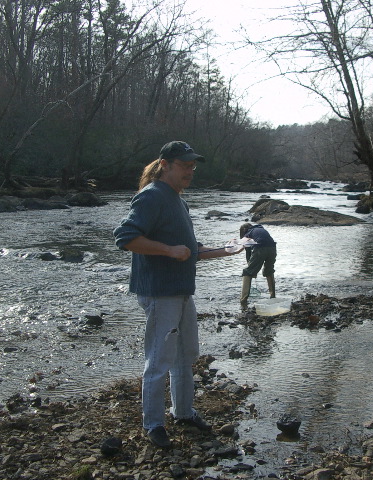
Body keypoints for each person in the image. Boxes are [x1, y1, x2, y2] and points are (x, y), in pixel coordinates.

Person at [113, 140, 243, 448]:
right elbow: (125, 237)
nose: (190, 170)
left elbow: (189, 252)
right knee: (159, 360)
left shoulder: (177, 199)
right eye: (184, 165)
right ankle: (154, 424)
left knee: (186, 356)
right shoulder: (152, 196)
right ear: (165, 165)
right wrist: (168, 250)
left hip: (182, 291)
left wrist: (225, 251)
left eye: (192, 165)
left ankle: (183, 413)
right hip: (160, 293)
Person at [239, 222, 277, 308]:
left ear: (244, 230)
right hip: (273, 247)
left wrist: (251, 270)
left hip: (260, 248)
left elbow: (248, 253)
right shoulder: (261, 229)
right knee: (269, 271)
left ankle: (243, 300)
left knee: (247, 272)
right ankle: (273, 295)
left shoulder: (247, 234)